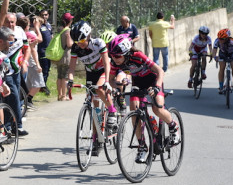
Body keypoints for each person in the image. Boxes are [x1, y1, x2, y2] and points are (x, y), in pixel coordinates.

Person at [107, 34, 180, 163]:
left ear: (127, 52)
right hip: (138, 83)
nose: (114, 58)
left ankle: (173, 128)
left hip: (153, 81)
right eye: (112, 55)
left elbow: (160, 71)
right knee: (134, 111)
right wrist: (117, 88)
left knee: (157, 108)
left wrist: (157, 87)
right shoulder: (114, 62)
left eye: (117, 56)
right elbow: (111, 80)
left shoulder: (138, 56)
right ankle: (142, 147)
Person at [66, 21, 117, 141]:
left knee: (99, 88)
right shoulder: (76, 48)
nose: (80, 44)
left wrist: (107, 81)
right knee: (95, 109)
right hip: (91, 73)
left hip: (103, 70)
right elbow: (72, 68)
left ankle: (112, 110)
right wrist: (70, 80)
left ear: (89, 35)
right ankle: (96, 137)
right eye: (78, 42)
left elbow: (106, 63)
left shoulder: (98, 43)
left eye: (83, 40)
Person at [0, 11, 29, 136]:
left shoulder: (20, 31)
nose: (10, 24)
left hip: (17, 71)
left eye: (12, 22)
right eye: (7, 21)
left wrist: (25, 61)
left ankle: (11, 125)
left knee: (15, 97)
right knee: (13, 97)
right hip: (5, 71)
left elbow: (27, 48)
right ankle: (16, 126)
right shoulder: (1, 33)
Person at [213, 28, 233, 93]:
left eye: (222, 39)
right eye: (219, 38)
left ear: (227, 38)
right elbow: (214, 50)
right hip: (223, 53)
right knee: (222, 68)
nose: (220, 40)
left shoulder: (231, 40)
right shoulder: (217, 41)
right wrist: (215, 57)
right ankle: (221, 86)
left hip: (232, 53)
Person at [56, 12, 74, 101]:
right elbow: (69, 44)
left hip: (58, 56)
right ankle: (64, 95)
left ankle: (59, 95)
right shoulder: (68, 30)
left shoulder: (59, 30)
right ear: (69, 21)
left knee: (59, 76)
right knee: (65, 76)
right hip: (66, 56)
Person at [36, 10, 52, 95]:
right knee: (44, 70)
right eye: (42, 15)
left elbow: (51, 36)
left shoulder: (49, 25)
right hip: (42, 51)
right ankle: (43, 87)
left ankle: (43, 86)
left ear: (48, 15)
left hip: (49, 51)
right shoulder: (38, 26)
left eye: (46, 15)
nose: (44, 16)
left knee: (47, 69)